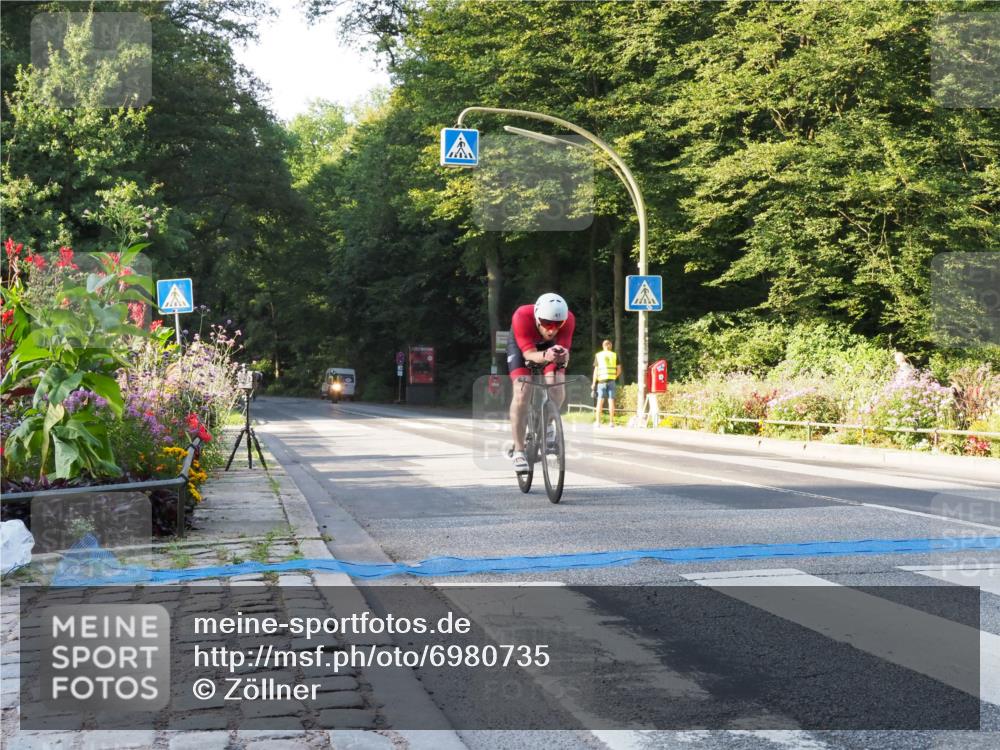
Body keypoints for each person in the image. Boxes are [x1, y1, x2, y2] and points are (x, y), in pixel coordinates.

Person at [506, 293, 575, 473]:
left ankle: (547, 424)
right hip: (523, 347)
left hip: (551, 348)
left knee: (557, 387)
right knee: (522, 391)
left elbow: (565, 352)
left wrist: (563, 356)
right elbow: (529, 355)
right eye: (546, 323)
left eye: (558, 325)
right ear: (537, 318)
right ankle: (519, 451)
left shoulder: (568, 319)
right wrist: (545, 355)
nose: (552, 330)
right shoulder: (522, 316)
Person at [592, 339, 621, 427]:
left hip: (601, 381)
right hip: (611, 381)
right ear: (610, 346)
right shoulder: (614, 355)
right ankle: (611, 422)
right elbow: (619, 369)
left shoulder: (598, 355)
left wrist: (594, 383)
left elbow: (596, 371)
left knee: (600, 401)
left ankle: (598, 422)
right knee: (611, 401)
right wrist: (614, 377)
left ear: (603, 346)